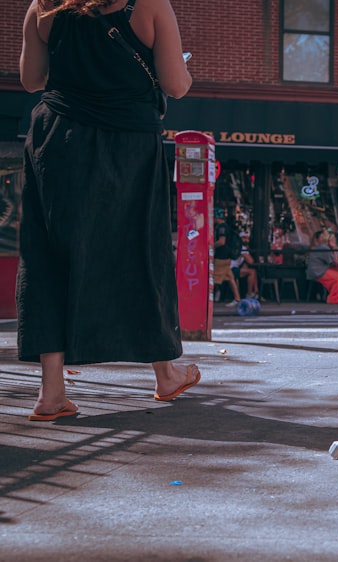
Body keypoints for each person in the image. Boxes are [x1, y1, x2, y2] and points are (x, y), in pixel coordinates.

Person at [18, 0, 197, 421]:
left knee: (48, 257)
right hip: (129, 143)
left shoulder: (43, 7)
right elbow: (175, 83)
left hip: (57, 138)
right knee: (140, 250)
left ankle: (51, 393)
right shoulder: (149, 4)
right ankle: (166, 374)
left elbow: (30, 80)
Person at [305, 230, 338, 304]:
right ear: (328, 240)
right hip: (317, 272)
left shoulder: (327, 248)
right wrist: (334, 249)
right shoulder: (324, 248)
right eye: (332, 240)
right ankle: (333, 299)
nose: (334, 241)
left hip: (321, 269)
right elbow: (336, 261)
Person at [213, 208, 241, 306]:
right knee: (230, 277)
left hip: (221, 256)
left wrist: (210, 245)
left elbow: (221, 241)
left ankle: (210, 297)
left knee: (213, 278)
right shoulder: (226, 227)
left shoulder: (221, 228)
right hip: (226, 256)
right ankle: (237, 298)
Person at [232, 232, 259, 300]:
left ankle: (255, 291)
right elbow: (250, 261)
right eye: (244, 238)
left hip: (235, 267)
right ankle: (249, 294)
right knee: (252, 272)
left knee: (253, 270)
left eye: (247, 238)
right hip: (232, 269)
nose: (246, 240)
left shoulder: (241, 247)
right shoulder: (241, 247)